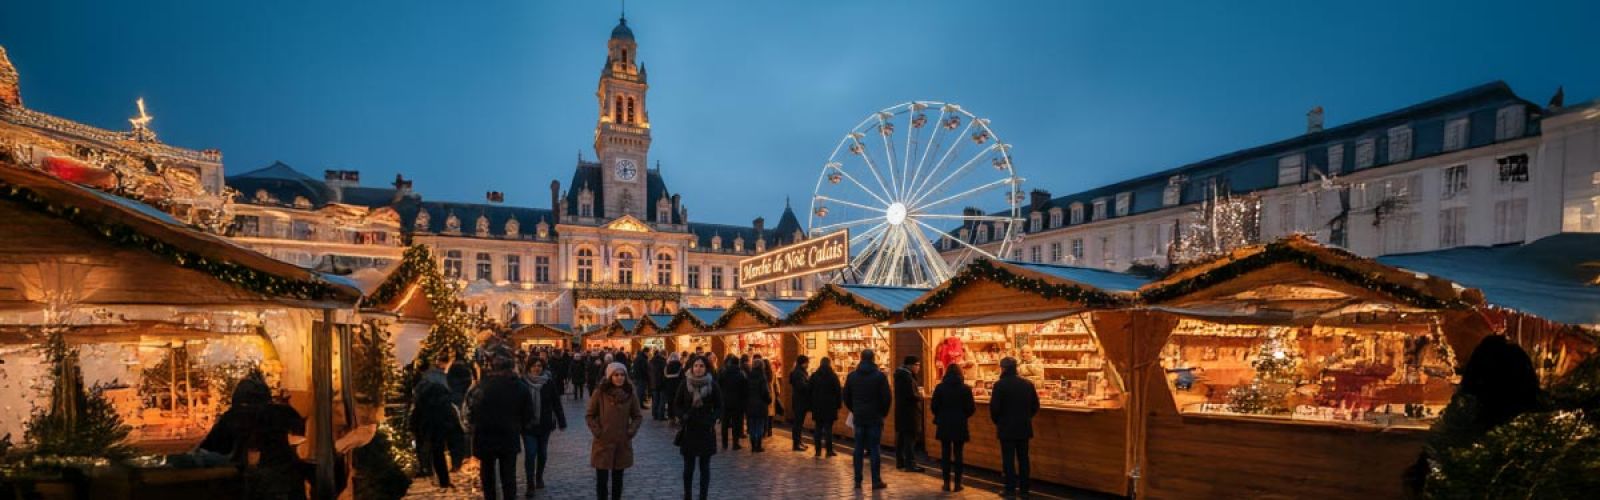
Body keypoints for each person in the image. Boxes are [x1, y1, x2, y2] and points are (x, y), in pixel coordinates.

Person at [198, 373, 309, 499]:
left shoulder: (234, 417)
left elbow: (209, 449)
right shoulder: (282, 412)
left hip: (257, 485)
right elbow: (300, 430)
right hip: (290, 481)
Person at [468, 356, 535, 500]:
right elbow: (528, 413)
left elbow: (472, 410)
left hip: (485, 436)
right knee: (508, 476)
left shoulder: (482, 386)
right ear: (511, 368)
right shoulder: (519, 387)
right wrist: (519, 426)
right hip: (509, 435)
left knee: (487, 474)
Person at [588, 362, 643, 500]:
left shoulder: (630, 393)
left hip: (622, 442)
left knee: (618, 480)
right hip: (603, 442)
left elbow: (637, 416)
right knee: (602, 480)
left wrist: (630, 430)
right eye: (616, 375)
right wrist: (598, 431)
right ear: (610, 376)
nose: (619, 378)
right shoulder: (599, 393)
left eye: (622, 375)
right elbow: (590, 415)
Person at [990, 357, 1041, 497]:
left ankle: (1010, 490)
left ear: (1004, 368)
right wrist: (1026, 417)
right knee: (1024, 459)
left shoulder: (999, 385)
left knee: (1008, 460)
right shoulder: (1028, 384)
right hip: (1023, 427)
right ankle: (1024, 491)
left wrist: (999, 422)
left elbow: (994, 409)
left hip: (1006, 428)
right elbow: (1035, 406)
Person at [843, 348, 892, 490]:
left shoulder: (852, 376)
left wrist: (854, 409)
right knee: (874, 448)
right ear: (873, 358)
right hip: (875, 417)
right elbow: (886, 397)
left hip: (859, 417)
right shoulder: (879, 376)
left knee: (858, 448)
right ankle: (876, 480)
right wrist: (882, 413)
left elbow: (846, 396)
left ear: (860, 358)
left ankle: (858, 480)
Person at [673, 356, 721, 500]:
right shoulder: (684, 384)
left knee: (705, 468)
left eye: (701, 366)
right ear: (691, 367)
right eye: (696, 366)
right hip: (689, 430)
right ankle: (687, 495)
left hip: (706, 430)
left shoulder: (712, 384)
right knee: (688, 468)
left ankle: (703, 496)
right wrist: (683, 416)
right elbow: (677, 405)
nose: (698, 368)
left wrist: (712, 418)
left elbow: (720, 406)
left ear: (706, 368)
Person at [412, 356, 463, 489]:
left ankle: (437, 476)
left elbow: (417, 408)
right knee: (450, 444)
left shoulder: (421, 387)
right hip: (443, 419)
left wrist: (415, 426)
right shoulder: (442, 384)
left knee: (435, 450)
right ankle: (453, 467)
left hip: (428, 421)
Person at [522, 357, 567, 493]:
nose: (537, 368)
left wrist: (561, 421)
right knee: (530, 453)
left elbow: (556, 403)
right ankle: (530, 483)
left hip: (545, 423)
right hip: (528, 425)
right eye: (535, 366)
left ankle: (539, 476)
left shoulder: (548, 383)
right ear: (529, 367)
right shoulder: (522, 383)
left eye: (540, 366)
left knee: (542, 453)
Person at [930, 364, 975, 492]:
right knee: (958, 454)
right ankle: (957, 484)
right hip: (960, 424)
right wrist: (963, 416)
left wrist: (941, 415)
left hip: (944, 423)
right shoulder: (965, 389)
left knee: (945, 454)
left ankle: (946, 483)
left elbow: (934, 407)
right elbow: (971, 409)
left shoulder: (940, 388)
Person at [893, 355, 927, 472]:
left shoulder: (901, 375)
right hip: (910, 413)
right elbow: (911, 395)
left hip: (903, 412)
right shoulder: (906, 377)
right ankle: (910, 464)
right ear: (910, 365)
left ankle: (900, 462)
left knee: (902, 438)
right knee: (910, 438)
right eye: (917, 365)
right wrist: (921, 396)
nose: (919, 368)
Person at [808, 357, 841, 458]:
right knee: (828, 429)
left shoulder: (814, 376)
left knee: (818, 428)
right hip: (830, 406)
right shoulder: (833, 376)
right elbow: (838, 391)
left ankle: (818, 451)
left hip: (817, 406)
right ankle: (829, 450)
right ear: (829, 364)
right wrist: (838, 405)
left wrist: (811, 404)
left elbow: (809, 390)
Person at [716, 354, 748, 450]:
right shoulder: (741, 374)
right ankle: (735, 443)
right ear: (738, 363)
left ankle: (724, 443)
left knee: (725, 423)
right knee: (736, 423)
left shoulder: (723, 373)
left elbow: (718, 385)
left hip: (725, 401)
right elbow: (745, 389)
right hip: (737, 402)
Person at [745, 358, 773, 453]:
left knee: (752, 426)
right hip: (761, 405)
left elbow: (744, 391)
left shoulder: (748, 376)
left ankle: (753, 446)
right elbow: (765, 392)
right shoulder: (762, 377)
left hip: (750, 405)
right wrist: (769, 400)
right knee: (760, 426)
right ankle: (758, 445)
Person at [788, 355, 811, 452]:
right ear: (803, 363)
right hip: (799, 401)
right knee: (798, 423)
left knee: (799, 423)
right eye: (807, 363)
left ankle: (799, 441)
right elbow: (802, 387)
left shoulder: (799, 372)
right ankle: (796, 444)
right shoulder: (798, 373)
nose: (808, 365)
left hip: (800, 401)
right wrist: (810, 383)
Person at [662, 352, 683, 423]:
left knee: (670, 402)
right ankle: (678, 417)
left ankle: (671, 418)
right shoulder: (680, 366)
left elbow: (664, 379)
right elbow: (682, 378)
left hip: (669, 388)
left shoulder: (666, 367)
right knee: (678, 402)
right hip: (678, 387)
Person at [650, 349, 669, 420]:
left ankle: (655, 414)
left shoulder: (651, 361)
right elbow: (664, 374)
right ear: (664, 355)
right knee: (662, 401)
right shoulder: (663, 362)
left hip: (653, 384)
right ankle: (661, 416)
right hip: (661, 384)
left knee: (655, 400)